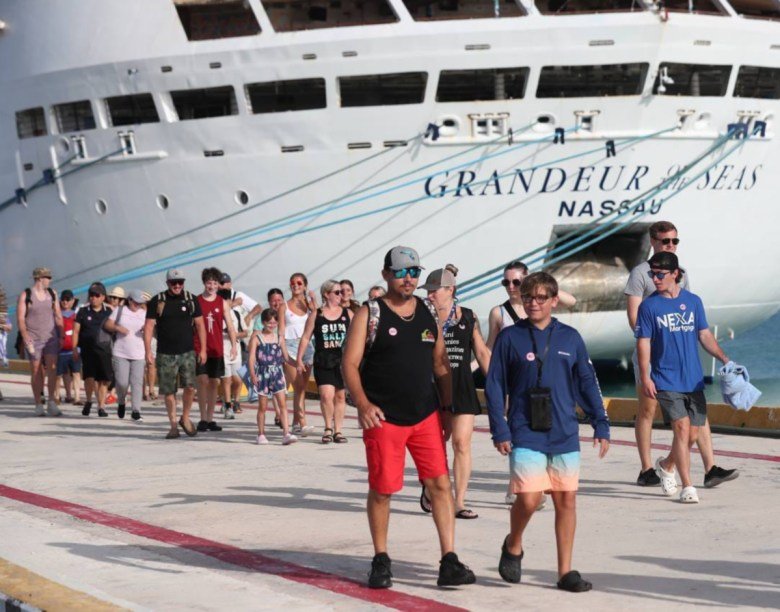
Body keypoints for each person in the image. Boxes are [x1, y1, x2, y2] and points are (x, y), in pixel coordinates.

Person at [342, 245, 476, 589]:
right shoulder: (369, 314)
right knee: (383, 490)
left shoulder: (428, 312)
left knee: (440, 486)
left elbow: (440, 363)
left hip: (425, 416)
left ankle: (449, 561)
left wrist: (447, 410)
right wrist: (362, 403)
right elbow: (350, 364)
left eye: (414, 272)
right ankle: (381, 559)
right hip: (384, 418)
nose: (409, 278)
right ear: (386, 274)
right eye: (401, 271)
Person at [486, 272, 610, 592]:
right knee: (528, 499)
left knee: (566, 501)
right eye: (528, 297)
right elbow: (495, 384)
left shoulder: (570, 338)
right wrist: (499, 428)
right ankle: (513, 544)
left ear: (554, 300)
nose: (534, 303)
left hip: (565, 431)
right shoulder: (510, 338)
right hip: (525, 430)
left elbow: (586, 382)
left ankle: (565, 572)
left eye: (541, 297)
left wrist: (601, 422)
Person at [625, 220, 737, 488]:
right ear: (653, 242)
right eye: (666, 241)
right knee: (647, 411)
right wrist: (651, 356)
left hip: (682, 363)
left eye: (675, 241)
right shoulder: (641, 274)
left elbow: (688, 310)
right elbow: (634, 317)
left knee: (694, 417)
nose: (671, 245)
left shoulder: (680, 273)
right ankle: (646, 468)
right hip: (653, 356)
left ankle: (709, 468)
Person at [486, 261, 576, 506]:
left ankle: (534, 484)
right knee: (519, 435)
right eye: (506, 282)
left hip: (544, 384)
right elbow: (489, 350)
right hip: (514, 379)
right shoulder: (499, 312)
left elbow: (571, 302)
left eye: (516, 282)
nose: (511, 287)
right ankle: (520, 485)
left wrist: (541, 283)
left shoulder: (538, 303)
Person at [421, 264, 491, 519]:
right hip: (431, 387)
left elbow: (482, 352)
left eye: (433, 290)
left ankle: (459, 501)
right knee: (437, 445)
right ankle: (432, 489)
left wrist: (494, 384)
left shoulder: (468, 317)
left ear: (450, 289)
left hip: (462, 386)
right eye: (427, 291)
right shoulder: (422, 317)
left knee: (462, 443)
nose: (429, 295)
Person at [144, 269, 207, 439]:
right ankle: (173, 425)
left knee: (190, 387)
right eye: (174, 283)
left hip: (187, 351)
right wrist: (148, 351)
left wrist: (203, 349)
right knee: (168, 392)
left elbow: (200, 325)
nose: (177, 285)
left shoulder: (191, 299)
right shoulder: (157, 301)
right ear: (167, 284)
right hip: (165, 353)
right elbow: (149, 326)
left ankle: (184, 418)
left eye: (180, 282)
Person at [296, 280, 353, 443]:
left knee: (340, 397)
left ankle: (338, 430)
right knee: (326, 396)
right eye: (337, 292)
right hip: (323, 359)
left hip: (342, 361)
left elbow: (358, 334)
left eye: (342, 292)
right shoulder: (317, 314)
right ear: (326, 294)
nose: (340, 295)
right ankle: (328, 427)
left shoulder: (347, 313)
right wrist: (299, 359)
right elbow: (306, 337)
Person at [194, 267, 238, 432]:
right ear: (204, 283)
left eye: (214, 283)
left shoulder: (222, 302)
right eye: (208, 283)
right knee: (202, 380)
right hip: (200, 348)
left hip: (217, 348)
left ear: (218, 285)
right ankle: (203, 417)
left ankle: (210, 418)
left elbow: (231, 326)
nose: (211, 286)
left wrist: (234, 346)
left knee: (214, 382)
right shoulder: (197, 301)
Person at [16, 267, 63, 416]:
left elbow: (58, 315)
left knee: (52, 369)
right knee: (36, 370)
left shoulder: (52, 294)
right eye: (47, 277)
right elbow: (20, 318)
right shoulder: (26, 295)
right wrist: (25, 336)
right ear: (39, 278)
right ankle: (38, 403)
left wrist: (61, 335)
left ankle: (51, 402)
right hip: (34, 338)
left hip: (50, 338)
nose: (49, 280)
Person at [248, 308, 297, 445]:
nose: (272, 325)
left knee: (282, 404)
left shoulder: (279, 338)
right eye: (269, 322)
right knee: (262, 406)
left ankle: (286, 433)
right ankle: (261, 434)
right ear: (263, 322)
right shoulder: (257, 338)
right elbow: (251, 359)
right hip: (262, 374)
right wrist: (252, 374)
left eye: (274, 323)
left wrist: (297, 363)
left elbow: (286, 357)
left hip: (277, 373)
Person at [278, 273, 317, 437]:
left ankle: (295, 422)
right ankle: (303, 422)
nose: (296, 285)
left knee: (302, 388)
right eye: (292, 282)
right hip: (290, 345)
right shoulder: (283, 306)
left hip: (307, 346)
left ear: (305, 285)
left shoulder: (310, 306)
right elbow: (280, 330)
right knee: (297, 384)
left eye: (299, 283)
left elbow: (318, 319)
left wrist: (313, 302)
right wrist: (283, 351)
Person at [104, 289, 147, 421]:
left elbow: (151, 328)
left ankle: (136, 410)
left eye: (140, 303)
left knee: (137, 383)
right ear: (129, 300)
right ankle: (121, 401)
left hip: (139, 353)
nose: (137, 305)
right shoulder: (120, 310)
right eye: (135, 302)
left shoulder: (144, 313)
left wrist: (146, 329)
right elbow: (108, 324)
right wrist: (118, 328)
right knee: (122, 382)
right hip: (120, 352)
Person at [73, 282, 113, 418]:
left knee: (103, 380)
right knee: (89, 378)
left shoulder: (109, 312)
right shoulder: (83, 311)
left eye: (96, 295)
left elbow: (115, 330)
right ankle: (89, 400)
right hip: (88, 350)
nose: (93, 298)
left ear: (103, 297)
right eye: (91, 295)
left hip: (104, 351)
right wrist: (74, 349)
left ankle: (101, 406)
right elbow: (76, 331)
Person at [218, 285, 249, 419]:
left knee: (237, 378)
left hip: (235, 349)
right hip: (222, 349)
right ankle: (228, 404)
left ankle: (236, 400)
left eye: (227, 301)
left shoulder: (236, 314)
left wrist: (234, 334)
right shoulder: (217, 315)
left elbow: (245, 332)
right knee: (226, 379)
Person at [56, 290, 82, 405]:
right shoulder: (57, 316)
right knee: (60, 374)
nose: (65, 302)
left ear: (72, 301)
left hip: (74, 350)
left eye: (68, 299)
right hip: (60, 351)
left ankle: (77, 397)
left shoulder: (76, 316)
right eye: (63, 299)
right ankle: (62, 395)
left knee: (76, 373)